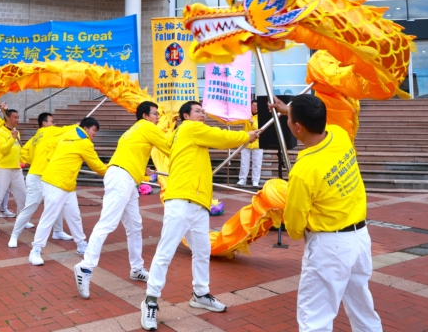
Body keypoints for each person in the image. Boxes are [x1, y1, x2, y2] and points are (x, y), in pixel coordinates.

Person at [140, 101, 259, 331]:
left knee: (202, 252)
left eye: (203, 111)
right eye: (198, 111)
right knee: (166, 251)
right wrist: (247, 135)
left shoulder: (191, 135)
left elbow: (213, 138)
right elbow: (220, 137)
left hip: (198, 203)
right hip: (182, 200)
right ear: (186, 115)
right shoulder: (188, 128)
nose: (203, 114)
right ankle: (150, 300)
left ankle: (200, 294)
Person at [268, 95, 382, 332]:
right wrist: (287, 109)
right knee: (362, 306)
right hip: (360, 238)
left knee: (315, 317)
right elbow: (312, 120)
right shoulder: (339, 135)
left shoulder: (304, 171)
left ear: (297, 127)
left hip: (330, 247)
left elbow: (294, 225)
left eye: (289, 119)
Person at [75, 101, 171, 299]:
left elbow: (131, 156)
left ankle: (136, 268)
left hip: (125, 178)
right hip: (121, 178)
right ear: (145, 116)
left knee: (135, 226)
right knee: (107, 224)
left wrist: (144, 171)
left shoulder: (132, 132)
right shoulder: (146, 127)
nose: (158, 118)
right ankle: (85, 267)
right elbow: (170, 147)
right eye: (155, 114)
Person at [28, 117, 108, 266]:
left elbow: (50, 144)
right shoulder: (84, 143)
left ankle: (81, 244)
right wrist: (115, 170)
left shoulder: (66, 134)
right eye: (94, 130)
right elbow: (98, 167)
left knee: (74, 215)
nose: (95, 134)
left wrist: (52, 160)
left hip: (66, 183)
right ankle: (35, 250)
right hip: (55, 182)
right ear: (85, 128)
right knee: (49, 216)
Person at [7, 112, 73, 248]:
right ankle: (14, 235)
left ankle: (58, 231)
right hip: (37, 176)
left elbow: (24, 152)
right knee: (30, 206)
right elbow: (68, 129)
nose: (54, 124)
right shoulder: (49, 132)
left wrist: (31, 161)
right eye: (52, 121)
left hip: (48, 175)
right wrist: (79, 126)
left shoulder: (35, 137)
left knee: (57, 203)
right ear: (45, 123)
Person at [0, 109, 27, 234]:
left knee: (23, 196)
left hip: (16, 169)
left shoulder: (16, 132)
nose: (17, 120)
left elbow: (18, 150)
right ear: (7, 118)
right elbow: (4, 149)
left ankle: (22, 220)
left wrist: (23, 160)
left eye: (18, 117)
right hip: (2, 168)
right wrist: (12, 138)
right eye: (15, 117)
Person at [237, 99, 263, 188]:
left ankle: (255, 180)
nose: (255, 108)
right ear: (250, 107)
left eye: (256, 106)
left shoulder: (261, 116)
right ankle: (242, 179)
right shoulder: (247, 116)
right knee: (244, 162)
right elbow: (239, 121)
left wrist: (252, 123)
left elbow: (259, 128)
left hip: (258, 143)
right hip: (246, 142)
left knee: (257, 163)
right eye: (253, 106)